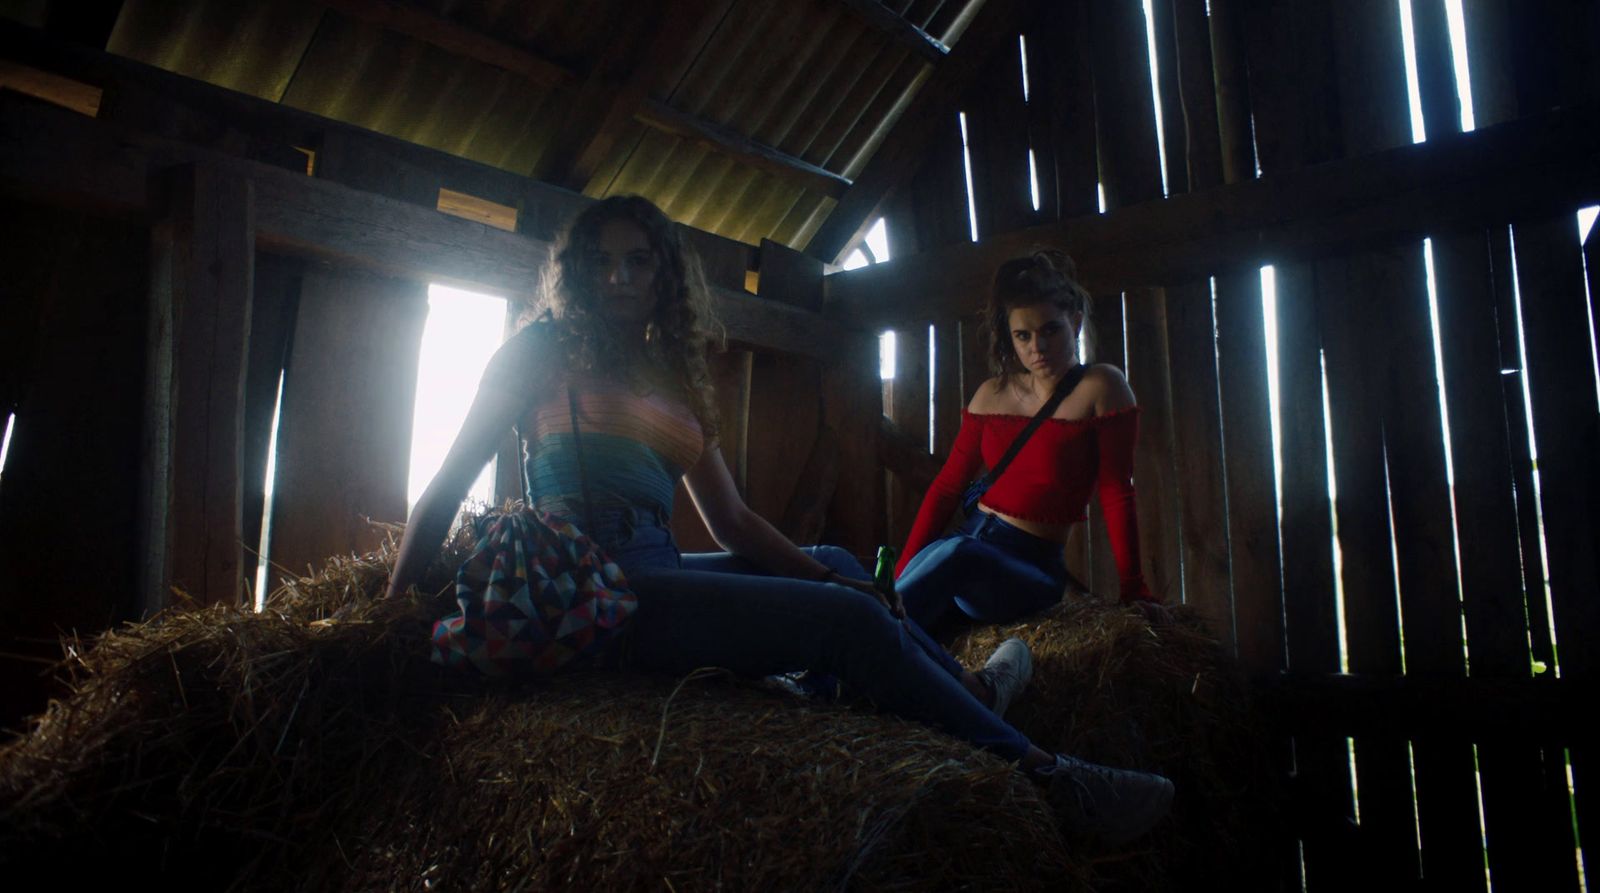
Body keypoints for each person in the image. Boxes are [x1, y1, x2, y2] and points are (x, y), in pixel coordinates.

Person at [383, 197, 1172, 844]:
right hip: (594, 593)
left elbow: (732, 522)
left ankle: (963, 686)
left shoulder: (673, 379)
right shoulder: (540, 351)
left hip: (657, 570)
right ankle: (1050, 776)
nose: (619, 276)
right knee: (841, 619)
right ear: (577, 272)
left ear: (665, 275)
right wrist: (387, 618)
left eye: (638, 259)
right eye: (601, 260)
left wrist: (838, 574)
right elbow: (447, 482)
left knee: (838, 564)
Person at [895, 250, 1164, 638]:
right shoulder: (992, 393)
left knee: (955, 557)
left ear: (1075, 321)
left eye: (1050, 329)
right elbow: (946, 488)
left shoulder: (1100, 386)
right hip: (964, 544)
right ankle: (825, 677)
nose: (1037, 347)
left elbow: (1116, 490)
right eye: (1023, 335)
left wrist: (1133, 586)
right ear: (1009, 336)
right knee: (889, 593)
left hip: (1027, 568)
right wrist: (903, 571)